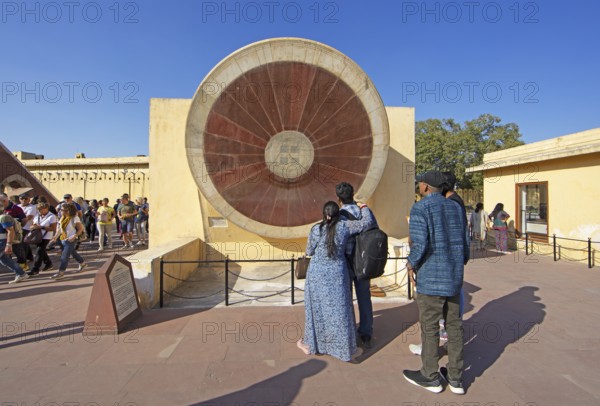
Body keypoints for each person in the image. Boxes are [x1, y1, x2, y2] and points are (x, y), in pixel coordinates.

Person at [403, 170, 469, 394]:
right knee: (454, 326)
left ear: (425, 187)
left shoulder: (420, 208)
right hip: (453, 276)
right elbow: (465, 244)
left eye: (420, 183)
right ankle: (456, 377)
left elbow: (420, 245)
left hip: (431, 278)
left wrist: (410, 264)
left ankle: (430, 375)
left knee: (430, 327)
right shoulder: (456, 207)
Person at [297, 201, 357, 362]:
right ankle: (342, 348)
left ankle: (313, 344)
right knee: (339, 310)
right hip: (338, 272)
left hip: (317, 274)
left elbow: (309, 251)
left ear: (325, 214)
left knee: (316, 309)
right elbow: (350, 247)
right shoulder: (345, 228)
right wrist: (363, 208)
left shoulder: (316, 229)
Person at [335, 181, 378, 349]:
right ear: (353, 195)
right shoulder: (366, 212)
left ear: (338, 198)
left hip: (345, 262)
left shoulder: (339, 217)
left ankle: (350, 332)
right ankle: (366, 333)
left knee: (346, 298)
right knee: (364, 298)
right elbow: (374, 229)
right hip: (363, 261)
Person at [49, 203, 87, 280]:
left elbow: (80, 229)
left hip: (71, 240)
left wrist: (74, 236)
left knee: (64, 256)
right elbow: (60, 229)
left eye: (62, 210)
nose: (60, 211)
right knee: (73, 252)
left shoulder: (74, 218)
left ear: (68, 211)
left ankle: (61, 273)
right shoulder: (62, 217)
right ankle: (82, 263)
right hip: (63, 239)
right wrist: (55, 237)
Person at [0, 203, 29, 284]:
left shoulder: (4, 217)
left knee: (4, 259)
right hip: (2, 241)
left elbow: (10, 231)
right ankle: (21, 273)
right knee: (4, 260)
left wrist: (8, 245)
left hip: (2, 241)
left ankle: (21, 273)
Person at [27, 202, 57, 276]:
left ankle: (35, 269)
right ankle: (48, 264)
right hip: (37, 236)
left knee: (39, 251)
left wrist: (41, 227)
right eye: (39, 209)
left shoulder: (52, 216)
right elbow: (33, 224)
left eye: (42, 209)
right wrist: (33, 226)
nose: (41, 211)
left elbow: (53, 228)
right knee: (41, 251)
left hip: (46, 236)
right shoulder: (37, 216)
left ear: (47, 208)